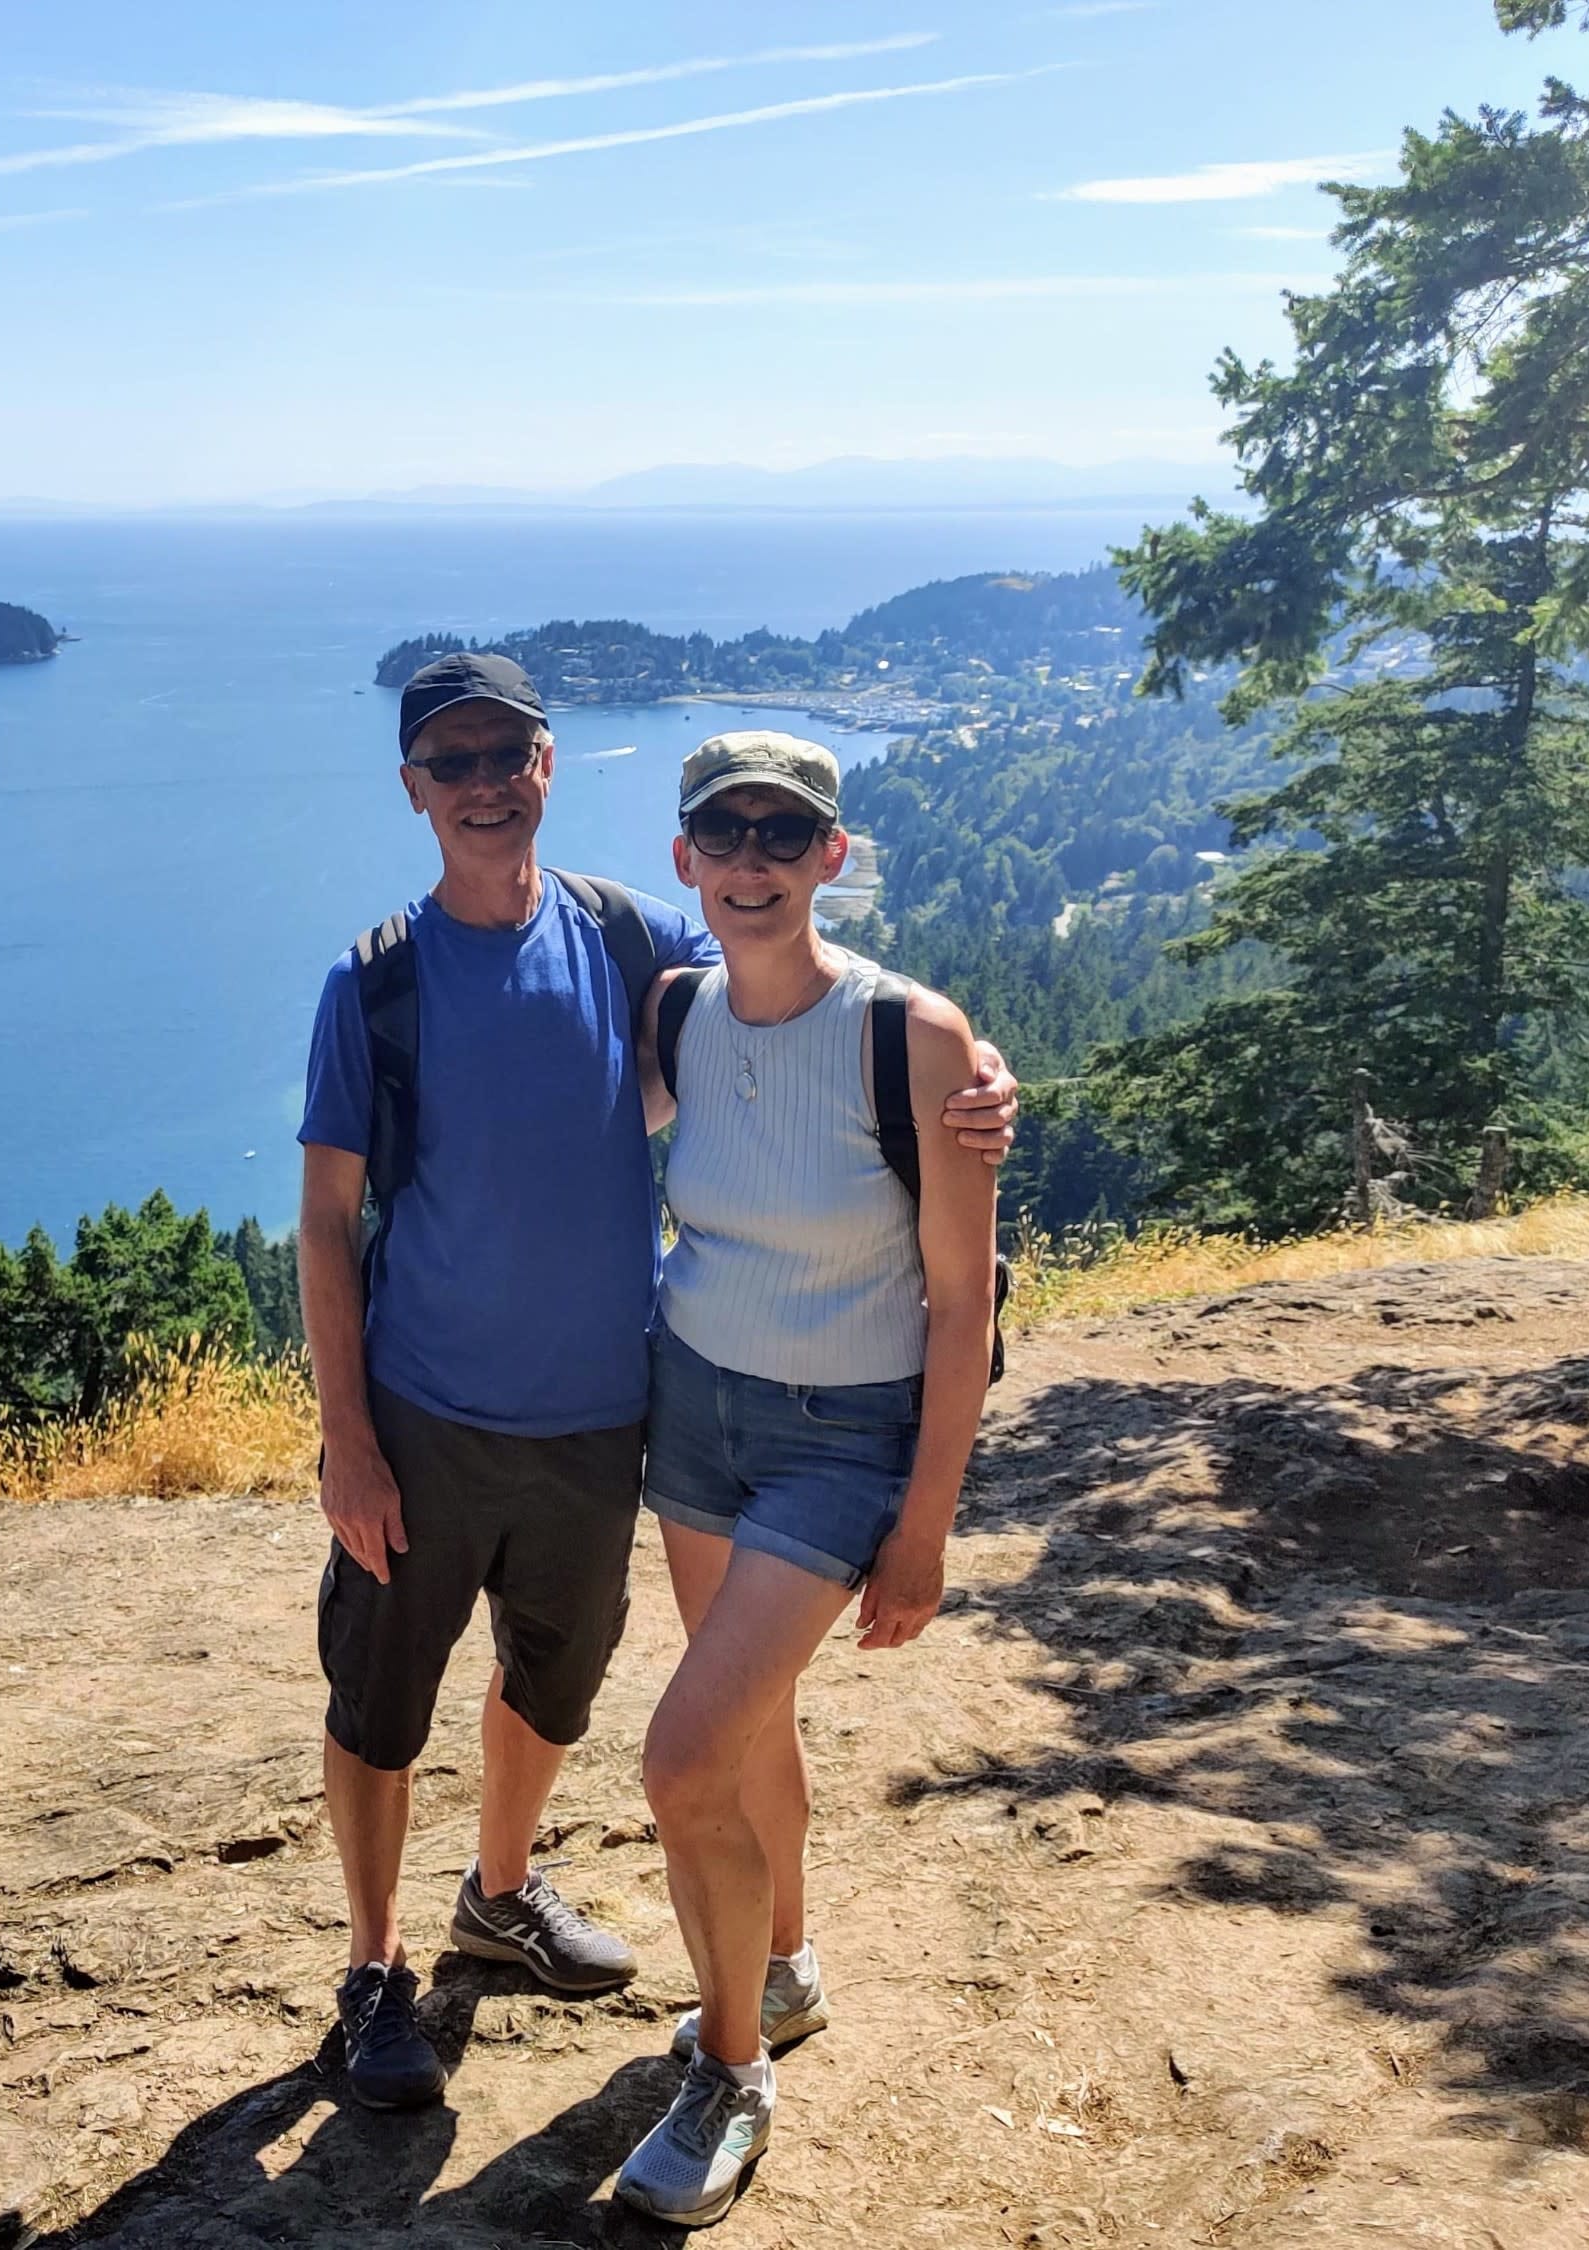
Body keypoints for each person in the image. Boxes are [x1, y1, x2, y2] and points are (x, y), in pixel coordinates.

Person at [298, 661, 1018, 2112]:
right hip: (433, 1407)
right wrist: (346, 1438)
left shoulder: (630, 939)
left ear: (548, 766)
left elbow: (783, 1009)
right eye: (452, 759)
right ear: (414, 788)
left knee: (549, 1686)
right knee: (382, 1696)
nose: (484, 778)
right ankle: (375, 1968)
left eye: (507, 749)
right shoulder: (374, 981)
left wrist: (974, 1076)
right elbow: (326, 1218)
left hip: (604, 1418)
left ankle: (500, 1893)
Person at [610, 732, 1001, 2226]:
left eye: (786, 833)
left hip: (845, 1439)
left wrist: (924, 1527)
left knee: (677, 1756)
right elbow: (546, 1111)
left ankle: (724, 2074)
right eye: (725, 832)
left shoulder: (909, 1037)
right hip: (693, 1412)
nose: (754, 859)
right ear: (685, 859)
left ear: (832, 857)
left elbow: (959, 1304)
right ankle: (780, 1968)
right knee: (744, 1711)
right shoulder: (676, 1015)